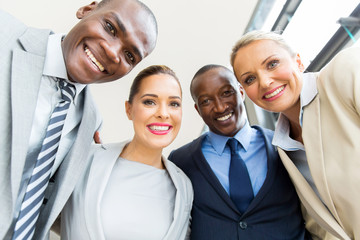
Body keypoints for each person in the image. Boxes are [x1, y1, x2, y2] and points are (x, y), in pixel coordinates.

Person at [0, 0, 158, 239]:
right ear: (87, 9)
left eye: (129, 55)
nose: (113, 52)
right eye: (111, 28)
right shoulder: (4, 32)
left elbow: (43, 206)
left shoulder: (90, 123)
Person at [230, 30, 360, 240]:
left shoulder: (345, 71)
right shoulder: (281, 149)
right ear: (244, 92)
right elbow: (323, 225)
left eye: (272, 64)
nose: (264, 82)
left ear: (298, 61)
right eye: (250, 79)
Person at [169, 64, 309, 240]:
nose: (220, 107)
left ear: (241, 92)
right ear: (198, 109)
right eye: (206, 101)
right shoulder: (180, 160)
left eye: (227, 93)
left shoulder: (283, 146)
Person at [60, 65, 193, 240]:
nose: (163, 113)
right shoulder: (86, 159)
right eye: (149, 102)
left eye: (174, 104)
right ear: (129, 109)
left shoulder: (184, 187)